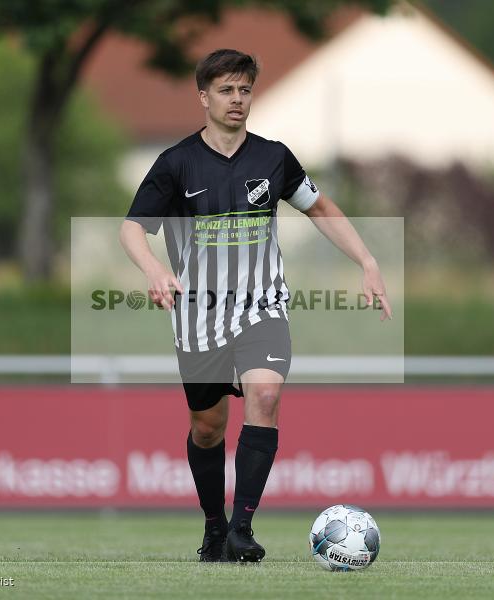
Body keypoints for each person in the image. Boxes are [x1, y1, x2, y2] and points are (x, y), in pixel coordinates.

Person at [120, 49, 391, 563]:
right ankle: (214, 527)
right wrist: (154, 269)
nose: (237, 99)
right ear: (204, 97)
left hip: (262, 307)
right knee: (208, 426)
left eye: (244, 90)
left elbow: (322, 208)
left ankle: (243, 529)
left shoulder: (274, 157)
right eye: (226, 90)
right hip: (198, 316)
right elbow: (132, 227)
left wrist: (367, 260)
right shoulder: (176, 163)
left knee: (265, 395)